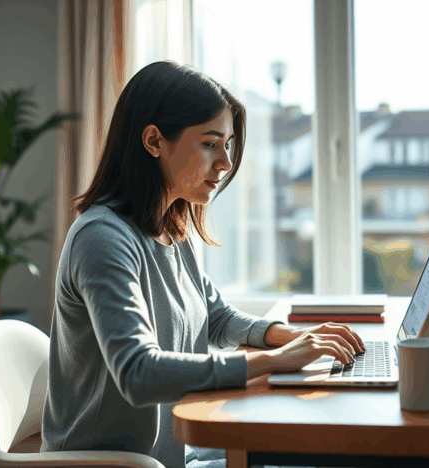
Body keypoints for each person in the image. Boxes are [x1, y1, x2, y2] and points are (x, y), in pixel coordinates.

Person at [40, 60, 365, 468]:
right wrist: (273, 361)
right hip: (114, 464)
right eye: (211, 144)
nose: (226, 163)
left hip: (171, 453)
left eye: (227, 145)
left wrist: (294, 339)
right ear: (154, 141)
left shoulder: (170, 228)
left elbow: (216, 318)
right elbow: (137, 373)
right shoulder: (102, 238)